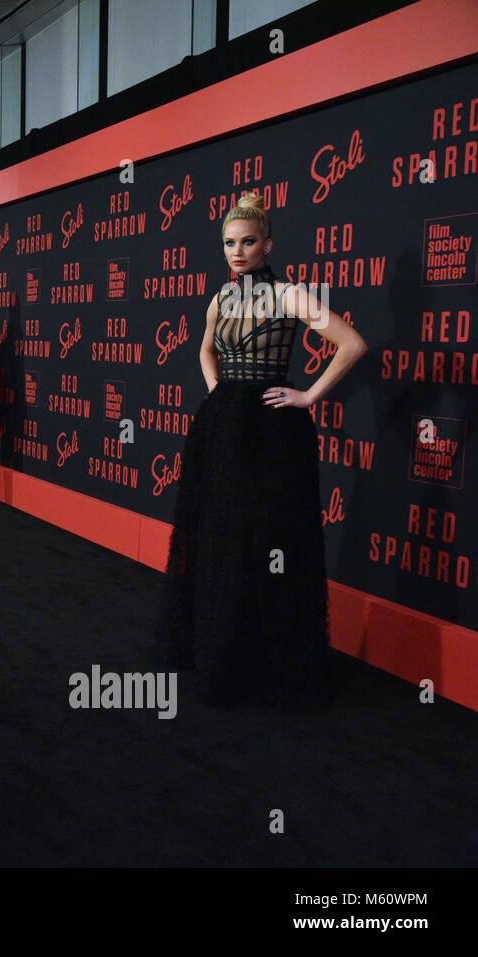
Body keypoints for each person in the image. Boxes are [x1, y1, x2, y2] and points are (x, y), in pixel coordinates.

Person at [155, 192, 367, 709]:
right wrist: (216, 390)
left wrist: (308, 395)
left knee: (271, 537)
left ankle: (270, 658)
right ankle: (224, 649)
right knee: (221, 533)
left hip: (273, 429)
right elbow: (205, 348)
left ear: (267, 243)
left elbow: (352, 344)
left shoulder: (291, 295)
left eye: (248, 242)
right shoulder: (220, 300)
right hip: (223, 424)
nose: (238, 251)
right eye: (230, 243)